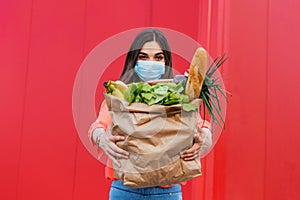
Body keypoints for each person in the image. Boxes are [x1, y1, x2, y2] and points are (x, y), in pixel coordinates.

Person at [88, 28, 212, 200]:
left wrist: (204, 138)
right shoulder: (120, 94)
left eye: (158, 57)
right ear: (134, 60)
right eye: (143, 56)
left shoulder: (178, 95)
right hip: (125, 191)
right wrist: (102, 139)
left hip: (167, 192)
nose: (151, 62)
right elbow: (98, 126)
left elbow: (202, 126)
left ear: (166, 61)